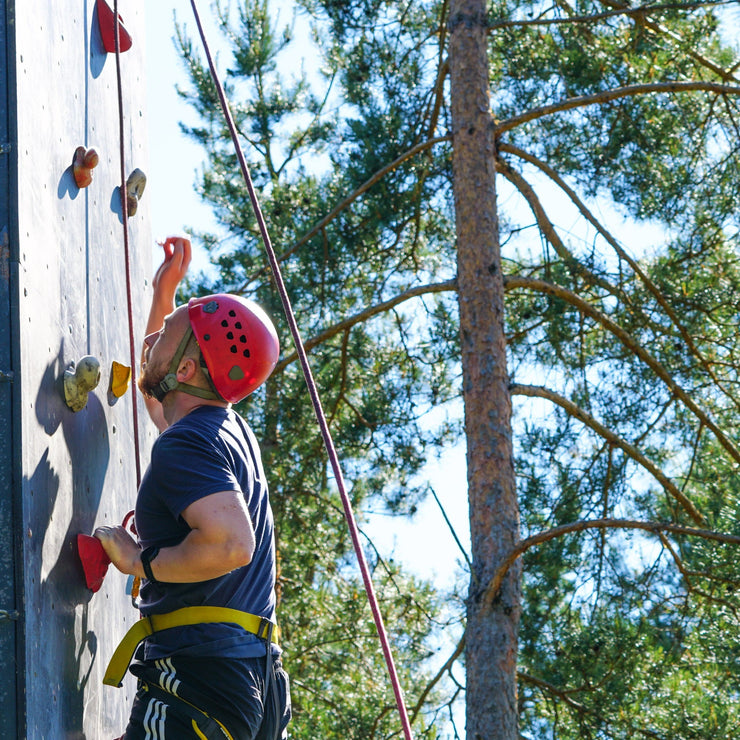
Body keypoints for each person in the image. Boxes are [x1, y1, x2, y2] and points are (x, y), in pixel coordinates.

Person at [95, 235, 291, 740]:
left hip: (206, 677)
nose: (154, 337)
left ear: (184, 368)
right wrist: (164, 297)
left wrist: (139, 562)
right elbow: (160, 397)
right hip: (239, 682)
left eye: (165, 334)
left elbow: (230, 543)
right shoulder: (218, 430)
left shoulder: (187, 444)